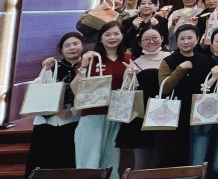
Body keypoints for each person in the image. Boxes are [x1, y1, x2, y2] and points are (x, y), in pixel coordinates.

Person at [72, 22, 129, 178]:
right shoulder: (91, 59)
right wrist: (83, 66)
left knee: (112, 163)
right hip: (93, 115)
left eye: (116, 33)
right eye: (107, 34)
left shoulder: (128, 59)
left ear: (122, 36)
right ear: (100, 38)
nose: (112, 37)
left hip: (117, 115)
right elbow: (75, 89)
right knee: (88, 161)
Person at [24, 32, 84, 176]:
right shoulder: (53, 66)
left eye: (76, 44)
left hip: (71, 120)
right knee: (40, 162)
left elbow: (90, 94)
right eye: (67, 45)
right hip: (46, 122)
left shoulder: (87, 67)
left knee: (66, 162)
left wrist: (73, 111)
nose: (72, 48)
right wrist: (45, 70)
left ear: (83, 46)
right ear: (61, 50)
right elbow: (42, 91)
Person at [116, 25, 168, 170]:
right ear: (140, 43)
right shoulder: (134, 63)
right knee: (143, 163)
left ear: (162, 39)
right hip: (142, 117)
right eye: (146, 39)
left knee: (164, 160)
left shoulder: (171, 57)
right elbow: (126, 91)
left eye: (155, 38)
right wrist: (130, 76)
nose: (151, 42)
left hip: (167, 113)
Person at [156, 24, 208, 167]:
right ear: (176, 41)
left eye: (190, 38)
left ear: (197, 39)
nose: (186, 42)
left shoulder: (203, 60)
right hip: (173, 114)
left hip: (197, 113)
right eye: (182, 39)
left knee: (195, 155)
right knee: (173, 154)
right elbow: (165, 88)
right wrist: (180, 69)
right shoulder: (168, 61)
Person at [189, 28, 218, 179]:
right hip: (203, 120)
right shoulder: (203, 64)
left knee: (215, 164)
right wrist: (213, 79)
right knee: (197, 164)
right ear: (212, 44)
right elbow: (195, 93)